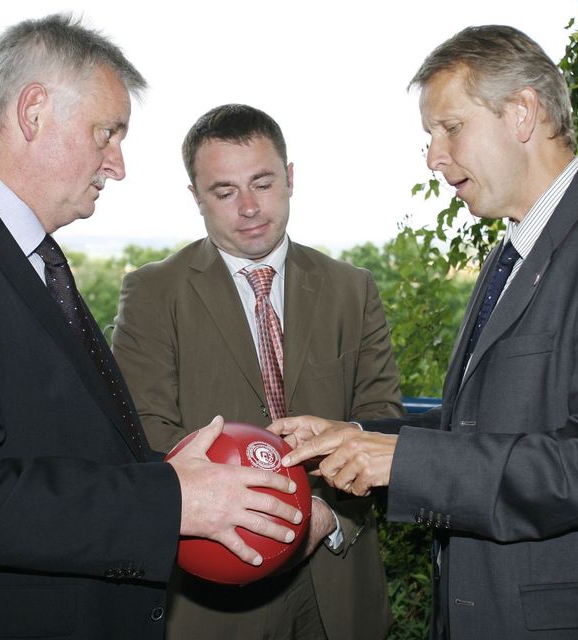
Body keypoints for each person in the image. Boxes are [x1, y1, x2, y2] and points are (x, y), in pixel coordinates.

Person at [0, 15, 304, 640]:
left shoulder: (20, 253)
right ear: (33, 112)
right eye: (106, 132)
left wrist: (157, 470)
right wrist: (169, 500)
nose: (117, 165)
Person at [269, 24, 578, 640]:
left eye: (450, 128)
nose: (434, 157)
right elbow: (479, 429)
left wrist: (407, 460)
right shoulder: (510, 252)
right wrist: (358, 437)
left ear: (522, 112)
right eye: (429, 137)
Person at [112, 103, 403, 640]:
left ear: (290, 178)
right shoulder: (154, 293)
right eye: (224, 192)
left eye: (262, 183)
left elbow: (379, 423)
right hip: (216, 596)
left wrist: (324, 516)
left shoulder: (352, 288)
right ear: (196, 197)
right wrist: (268, 517)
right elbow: (146, 438)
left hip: (339, 588)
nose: (248, 207)